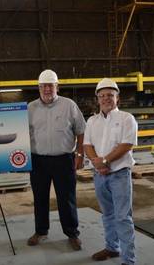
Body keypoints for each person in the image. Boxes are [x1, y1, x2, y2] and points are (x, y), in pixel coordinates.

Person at [27, 69, 86, 250]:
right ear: (38, 88)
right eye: (43, 86)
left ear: (57, 87)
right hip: (38, 161)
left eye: (50, 86)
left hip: (64, 160)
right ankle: (41, 231)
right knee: (40, 198)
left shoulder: (69, 105)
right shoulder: (30, 108)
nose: (47, 89)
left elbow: (81, 130)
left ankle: (72, 233)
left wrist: (80, 154)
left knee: (66, 198)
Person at [84, 78, 137, 265]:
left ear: (117, 99)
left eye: (110, 95)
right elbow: (87, 145)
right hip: (100, 175)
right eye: (102, 96)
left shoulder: (126, 119)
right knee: (107, 214)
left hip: (119, 174)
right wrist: (97, 163)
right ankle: (112, 248)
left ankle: (128, 260)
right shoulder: (92, 121)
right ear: (97, 99)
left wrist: (105, 160)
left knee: (123, 217)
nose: (106, 99)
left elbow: (127, 145)